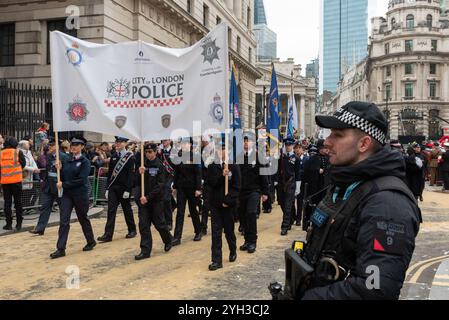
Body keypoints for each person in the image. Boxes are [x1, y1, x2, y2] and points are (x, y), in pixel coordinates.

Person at [298, 101, 420, 300]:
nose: (327, 142)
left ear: (364, 144)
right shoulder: (345, 183)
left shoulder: (387, 203)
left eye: (337, 135)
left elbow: (375, 288)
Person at [50, 136, 96, 259]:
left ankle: (91, 241)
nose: (73, 147)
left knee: (83, 218)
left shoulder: (85, 161)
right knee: (64, 220)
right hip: (67, 195)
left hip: (80, 194)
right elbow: (63, 175)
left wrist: (63, 184)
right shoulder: (66, 160)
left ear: (82, 147)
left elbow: (81, 180)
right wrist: (59, 169)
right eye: (72, 145)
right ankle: (60, 248)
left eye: (76, 145)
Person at [134, 143, 173, 260]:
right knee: (144, 225)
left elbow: (160, 185)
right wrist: (138, 173)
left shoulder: (159, 166)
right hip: (143, 201)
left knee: (159, 224)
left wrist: (148, 197)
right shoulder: (142, 164)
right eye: (146, 152)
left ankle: (168, 239)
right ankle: (145, 250)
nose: (148, 154)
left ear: (155, 152)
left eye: (150, 152)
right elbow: (136, 182)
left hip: (155, 200)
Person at [206, 142, 241, 271]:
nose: (222, 152)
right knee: (216, 233)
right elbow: (212, 183)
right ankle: (216, 260)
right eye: (220, 149)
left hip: (228, 206)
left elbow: (237, 187)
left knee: (229, 231)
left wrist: (229, 200)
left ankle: (232, 249)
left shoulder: (234, 166)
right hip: (216, 205)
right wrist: (222, 175)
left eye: (224, 149)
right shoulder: (212, 166)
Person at [97, 137, 137, 243]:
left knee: (127, 209)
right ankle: (108, 234)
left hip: (124, 188)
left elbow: (130, 175)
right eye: (117, 142)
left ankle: (132, 230)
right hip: (113, 188)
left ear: (125, 143)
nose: (118, 144)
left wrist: (128, 189)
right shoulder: (114, 156)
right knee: (111, 210)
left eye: (121, 142)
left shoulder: (130, 157)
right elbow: (110, 174)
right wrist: (107, 188)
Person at [30, 139, 69, 235]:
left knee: (63, 208)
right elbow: (47, 169)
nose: (50, 147)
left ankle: (64, 226)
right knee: (45, 207)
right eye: (50, 146)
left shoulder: (64, 157)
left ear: (57, 147)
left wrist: (60, 168)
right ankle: (40, 228)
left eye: (52, 146)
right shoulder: (48, 156)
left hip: (59, 185)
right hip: (48, 186)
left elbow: (67, 172)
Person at [238, 133, 269, 254]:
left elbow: (263, 175)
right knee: (243, 215)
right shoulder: (240, 157)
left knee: (251, 213)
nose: (246, 143)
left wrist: (265, 192)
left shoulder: (258, 156)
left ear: (253, 143)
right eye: (244, 141)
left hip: (254, 191)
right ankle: (246, 240)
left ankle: (252, 241)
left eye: (248, 141)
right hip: (242, 191)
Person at [171, 137, 203, 246]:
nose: (184, 145)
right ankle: (177, 237)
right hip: (181, 188)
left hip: (192, 188)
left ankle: (198, 231)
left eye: (186, 144)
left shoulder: (195, 156)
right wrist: (174, 186)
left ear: (190, 145)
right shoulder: (178, 156)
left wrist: (199, 189)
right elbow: (176, 173)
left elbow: (198, 173)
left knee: (193, 210)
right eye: (183, 144)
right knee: (180, 212)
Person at [0, 137, 26, 230]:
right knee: (18, 203)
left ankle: (8, 224)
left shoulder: (1, 153)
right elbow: (23, 164)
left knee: (7, 203)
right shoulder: (18, 152)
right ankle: (19, 224)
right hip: (16, 181)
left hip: (5, 182)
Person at [278, 138, 301, 236]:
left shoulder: (296, 158)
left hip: (291, 184)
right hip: (281, 183)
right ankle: (291, 219)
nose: (288, 147)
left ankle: (284, 226)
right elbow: (278, 170)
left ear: (292, 146)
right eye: (286, 145)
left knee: (287, 206)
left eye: (290, 145)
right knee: (282, 203)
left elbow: (298, 174)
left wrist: (298, 187)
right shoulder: (282, 157)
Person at [157, 139, 176, 231]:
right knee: (162, 199)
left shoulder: (174, 151)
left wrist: (174, 182)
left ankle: (169, 222)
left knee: (166, 199)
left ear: (170, 140)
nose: (164, 142)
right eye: (162, 140)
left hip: (171, 177)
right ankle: (174, 204)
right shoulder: (159, 152)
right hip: (161, 177)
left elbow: (176, 167)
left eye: (166, 140)